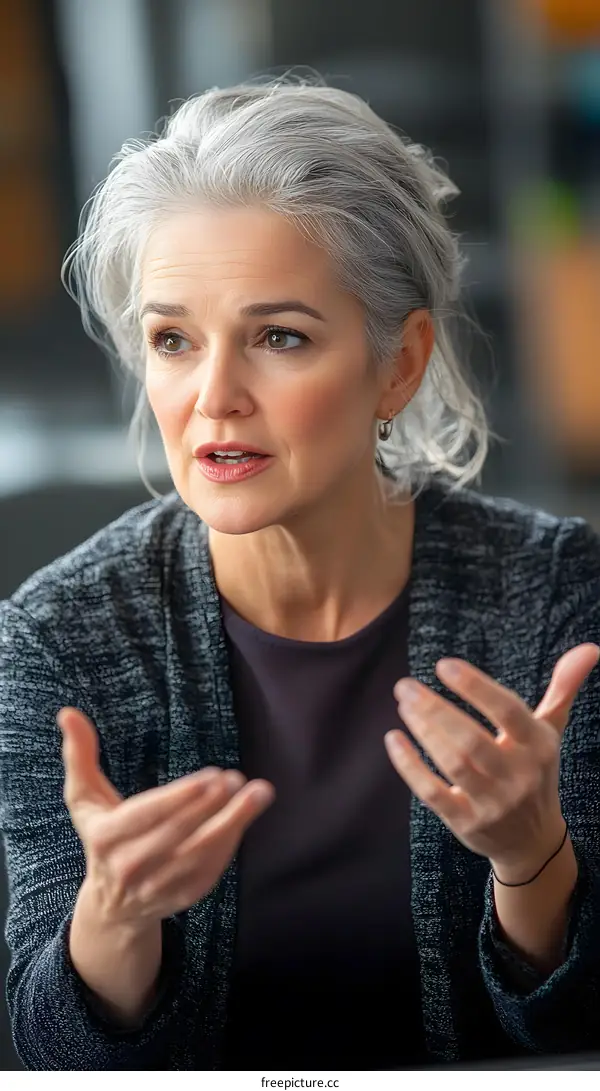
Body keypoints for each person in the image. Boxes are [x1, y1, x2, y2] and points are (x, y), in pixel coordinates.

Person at [1, 73, 600, 1074]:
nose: (214, 397)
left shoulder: (557, 602)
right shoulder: (56, 639)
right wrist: (113, 916)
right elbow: (43, 1052)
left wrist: (529, 855)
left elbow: (580, 1029)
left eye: (280, 337)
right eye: (173, 340)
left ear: (399, 363)